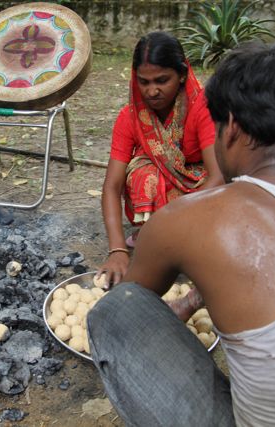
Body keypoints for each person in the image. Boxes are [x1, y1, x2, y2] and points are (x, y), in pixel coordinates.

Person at [87, 41, 275, 426]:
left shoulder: (189, 218)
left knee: (116, 310)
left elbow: (137, 304)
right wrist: (187, 303)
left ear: (231, 126)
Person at [98, 31, 223, 285]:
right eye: (144, 82)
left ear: (182, 75)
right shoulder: (130, 117)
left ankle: (176, 241)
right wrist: (118, 250)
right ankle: (153, 236)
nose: (152, 91)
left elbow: (219, 176)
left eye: (162, 80)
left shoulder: (203, 108)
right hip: (164, 190)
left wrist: (172, 223)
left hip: (199, 195)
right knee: (145, 175)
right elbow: (112, 186)